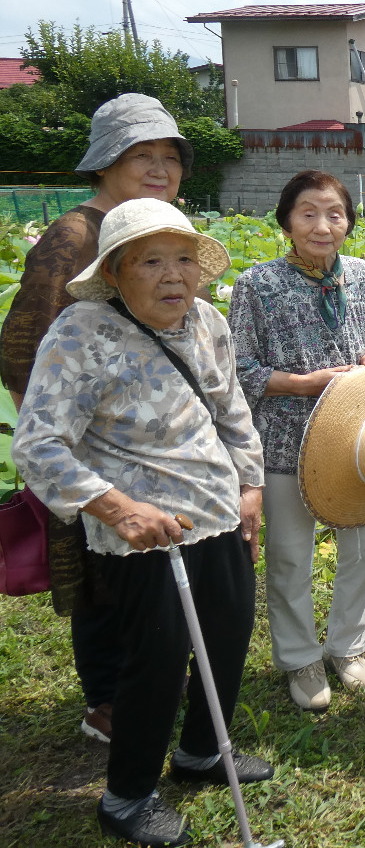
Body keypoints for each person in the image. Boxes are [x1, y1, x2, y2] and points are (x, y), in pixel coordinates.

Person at [13, 198, 269, 848]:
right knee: (155, 658)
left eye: (184, 259)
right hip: (142, 531)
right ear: (116, 272)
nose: (173, 275)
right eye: (151, 261)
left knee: (230, 632)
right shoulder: (80, 332)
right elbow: (38, 444)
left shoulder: (208, 321)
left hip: (216, 509)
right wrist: (117, 506)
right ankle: (127, 795)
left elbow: (233, 409)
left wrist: (251, 486)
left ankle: (202, 752)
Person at [0, 93, 195, 745]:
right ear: (107, 159)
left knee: (140, 565)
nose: (160, 167)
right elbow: (23, 346)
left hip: (151, 441)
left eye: (170, 155)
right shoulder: (75, 237)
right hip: (94, 446)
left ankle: (144, 683)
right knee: (101, 574)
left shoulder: (152, 230)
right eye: (143, 154)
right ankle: (107, 702)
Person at [228, 170, 365, 712]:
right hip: (283, 438)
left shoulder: (364, 276)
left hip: (355, 436)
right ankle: (299, 657)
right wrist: (301, 384)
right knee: (291, 555)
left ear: (348, 221)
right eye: (308, 214)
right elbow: (239, 368)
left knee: (362, 547)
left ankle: (348, 647)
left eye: (335, 214)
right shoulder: (257, 284)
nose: (323, 226)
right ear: (287, 221)